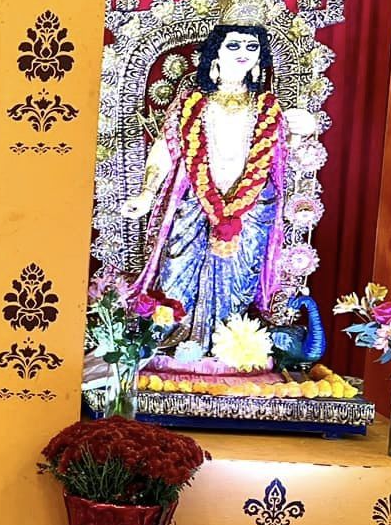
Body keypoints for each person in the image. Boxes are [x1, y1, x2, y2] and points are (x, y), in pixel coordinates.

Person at [124, 22, 315, 357]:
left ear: (260, 59)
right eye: (234, 45)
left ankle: (228, 350)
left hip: (251, 210)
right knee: (176, 273)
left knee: (238, 284)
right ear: (215, 55)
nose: (243, 53)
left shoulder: (267, 107)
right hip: (194, 204)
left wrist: (301, 131)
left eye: (251, 47)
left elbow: (285, 156)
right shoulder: (190, 104)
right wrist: (147, 192)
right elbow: (165, 148)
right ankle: (173, 344)